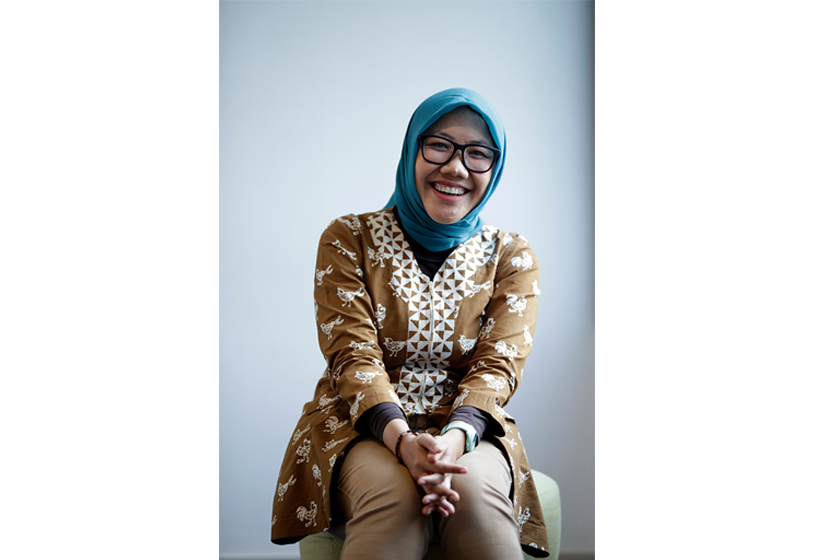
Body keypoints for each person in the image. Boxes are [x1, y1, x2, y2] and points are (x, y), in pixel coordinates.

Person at [270, 88, 548, 559]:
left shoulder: (511, 255)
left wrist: (452, 442)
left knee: (475, 496)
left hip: (469, 429)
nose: (456, 167)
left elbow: (498, 367)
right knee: (394, 498)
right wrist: (402, 441)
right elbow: (352, 356)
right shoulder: (348, 239)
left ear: (495, 167)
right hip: (361, 426)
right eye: (439, 145)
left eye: (478, 153)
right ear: (411, 150)